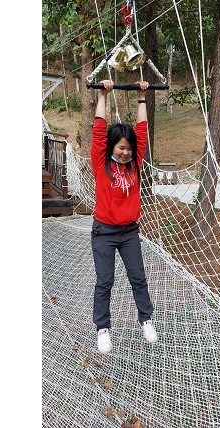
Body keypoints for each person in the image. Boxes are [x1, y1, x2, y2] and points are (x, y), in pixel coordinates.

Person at [90, 79, 158, 354]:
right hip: (104, 232)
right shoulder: (101, 161)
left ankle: (146, 320)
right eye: (120, 147)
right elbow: (98, 130)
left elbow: (142, 131)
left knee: (137, 277)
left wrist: (142, 96)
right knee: (105, 281)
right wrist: (103, 95)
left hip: (129, 231)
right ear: (111, 147)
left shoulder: (135, 162)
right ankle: (103, 328)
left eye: (128, 148)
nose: (125, 152)